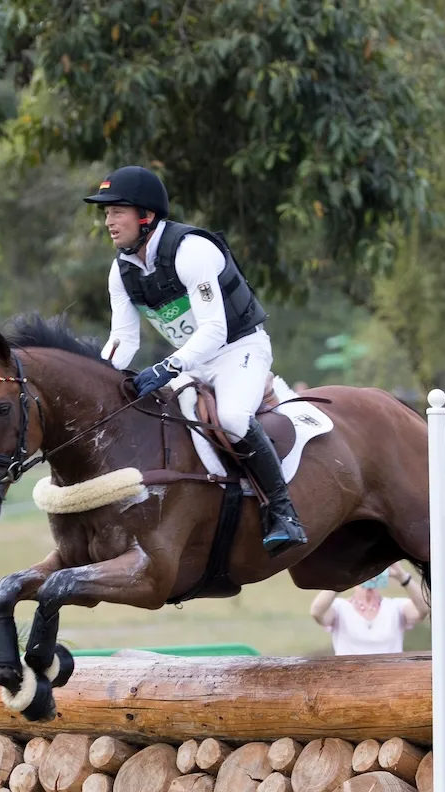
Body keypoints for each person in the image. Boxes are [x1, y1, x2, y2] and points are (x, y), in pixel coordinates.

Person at [84, 166, 307, 556]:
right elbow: (124, 340)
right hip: (192, 361)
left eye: (117, 211)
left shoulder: (191, 250)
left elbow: (215, 330)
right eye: (106, 213)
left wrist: (167, 367)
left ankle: (283, 511)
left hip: (239, 349)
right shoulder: (121, 270)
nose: (109, 222)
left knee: (232, 418)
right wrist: (97, 378)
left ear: (146, 215)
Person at [310, 564, 429, 655]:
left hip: (390, 676)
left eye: (374, 574)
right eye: (362, 575)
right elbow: (316, 612)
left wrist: (402, 576)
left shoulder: (395, 607)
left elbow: (424, 609)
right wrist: (341, 581)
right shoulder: (340, 607)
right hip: (349, 677)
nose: (369, 579)